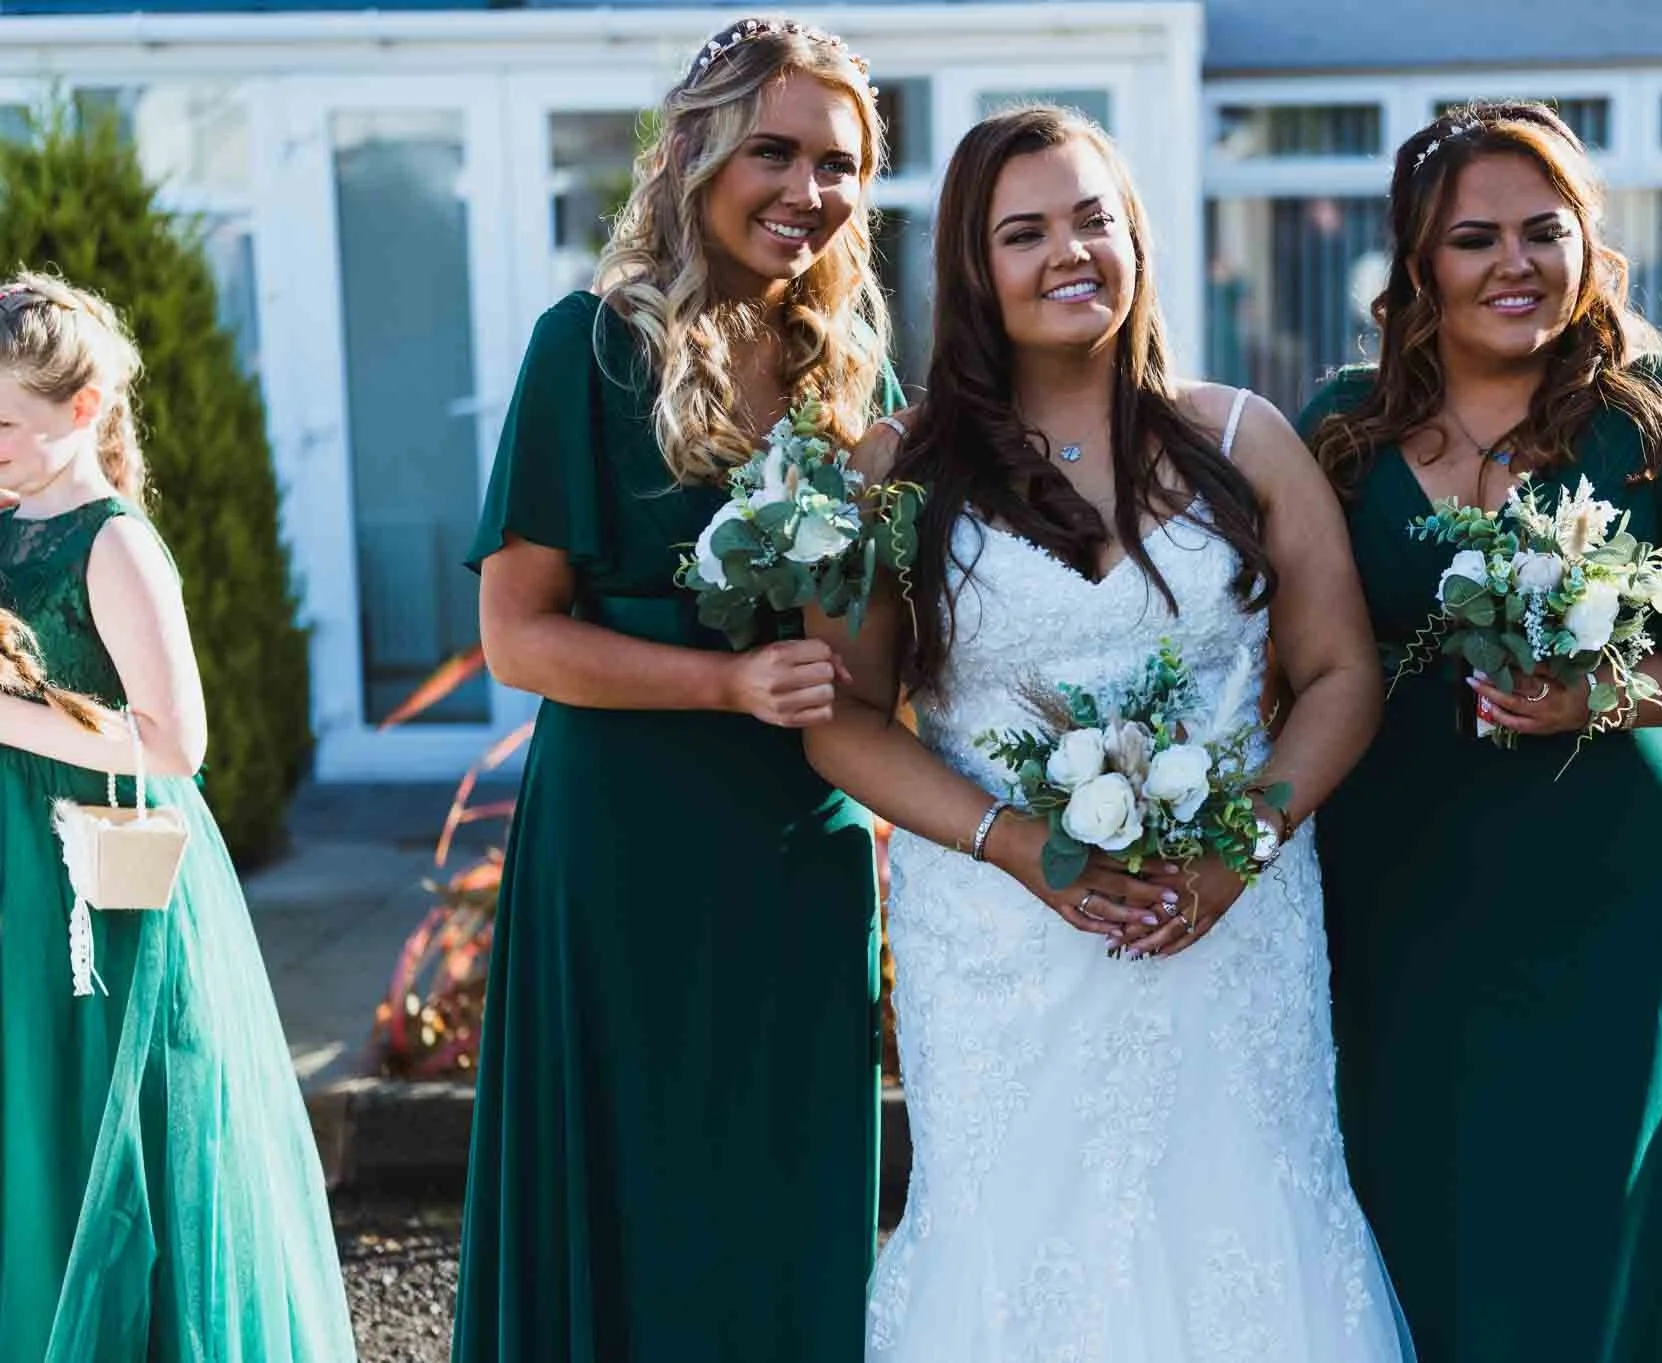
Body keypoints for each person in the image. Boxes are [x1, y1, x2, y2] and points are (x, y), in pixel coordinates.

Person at [802, 105, 1414, 1362]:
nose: (1066, 252)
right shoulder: (895, 470)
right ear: (972, 271)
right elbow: (843, 723)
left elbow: (1342, 671)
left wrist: (1238, 845)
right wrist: (1018, 841)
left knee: (1242, 1213)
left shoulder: (1244, 439)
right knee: (1016, 1241)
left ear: (1134, 234)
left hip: (1230, 927)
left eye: (1092, 218)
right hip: (995, 939)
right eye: (1022, 232)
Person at [1298, 101, 1662, 1362]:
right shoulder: (1342, 431)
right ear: (1418, 263)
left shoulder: (1654, 414)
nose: (1512, 263)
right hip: (1401, 870)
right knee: (1418, 1177)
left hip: (1609, 869)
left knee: (1594, 1193)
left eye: (1544, 230)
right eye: (1473, 238)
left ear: (1587, 244)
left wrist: (1598, 694)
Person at [453, 19, 902, 1361]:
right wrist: (726, 681)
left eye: (839, 163)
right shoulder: (587, 348)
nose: (807, 190)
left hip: (799, 841)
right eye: (775, 149)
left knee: (789, 1179)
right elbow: (519, 638)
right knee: (637, 1175)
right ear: (697, 149)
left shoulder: (848, 376)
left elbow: (861, 635)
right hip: (628, 840)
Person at [0, 271, 356, 1361]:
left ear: (84, 410)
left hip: (94, 882)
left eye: (6, 421)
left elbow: (171, 744)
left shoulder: (113, 544)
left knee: (97, 1125)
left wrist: (9, 720)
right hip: (15, 871)